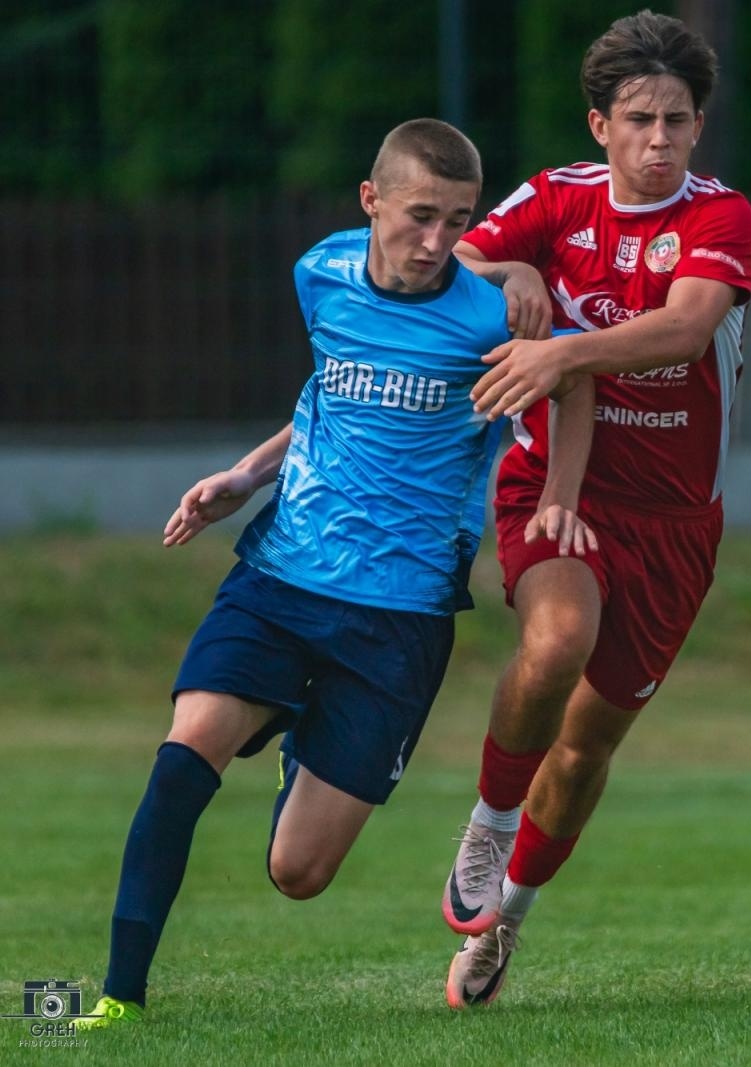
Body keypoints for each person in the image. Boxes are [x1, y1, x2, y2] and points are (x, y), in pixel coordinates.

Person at [79, 118, 597, 1029]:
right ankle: (117, 997)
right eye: (420, 216)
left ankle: (295, 726)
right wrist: (248, 473)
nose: (438, 242)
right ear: (371, 202)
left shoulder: (490, 315)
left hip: (398, 620)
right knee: (182, 751)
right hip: (282, 576)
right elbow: (328, 390)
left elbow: (574, 380)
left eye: (459, 220)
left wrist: (560, 490)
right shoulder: (319, 273)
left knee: (299, 874)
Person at [439, 9, 751, 1009]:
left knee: (585, 747)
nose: (659, 139)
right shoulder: (553, 201)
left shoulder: (720, 217)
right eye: (639, 119)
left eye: (676, 119)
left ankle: (506, 922)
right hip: (553, 484)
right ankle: (488, 824)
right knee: (557, 640)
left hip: (674, 525)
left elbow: (682, 328)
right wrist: (513, 268)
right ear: (600, 126)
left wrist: (564, 349)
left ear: (698, 126)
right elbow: (440, 267)